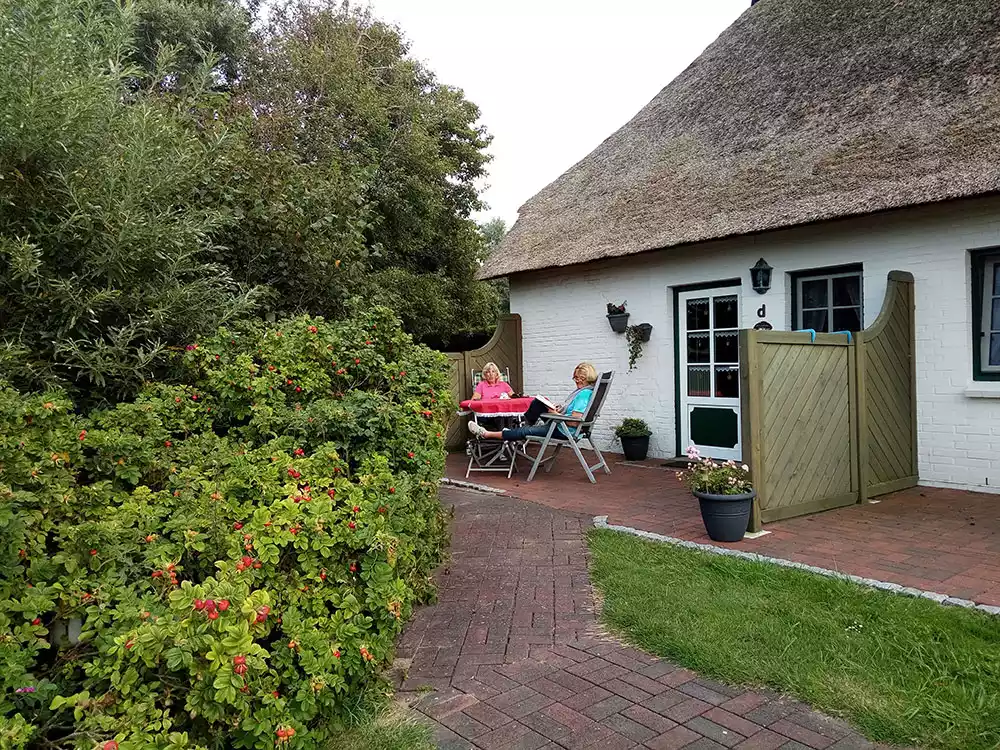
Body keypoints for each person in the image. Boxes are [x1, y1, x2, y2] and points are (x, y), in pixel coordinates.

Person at [468, 362, 598, 441]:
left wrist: (554, 414)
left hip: (563, 430)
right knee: (538, 402)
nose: (576, 381)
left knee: (524, 431)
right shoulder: (586, 391)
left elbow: (575, 422)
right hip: (562, 426)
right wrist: (558, 410)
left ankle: (486, 434)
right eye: (575, 378)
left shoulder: (583, 394)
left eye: (580, 378)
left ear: (587, 378)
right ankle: (518, 428)